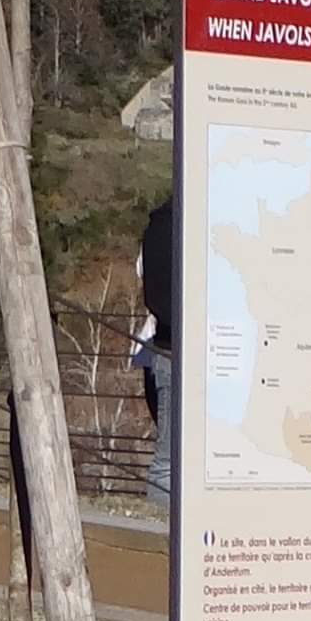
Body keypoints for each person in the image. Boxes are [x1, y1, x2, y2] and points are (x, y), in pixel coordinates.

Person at [136, 193, 173, 505]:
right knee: (170, 462)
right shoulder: (186, 223)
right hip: (178, 349)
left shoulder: (157, 226)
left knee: (169, 460)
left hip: (161, 349)